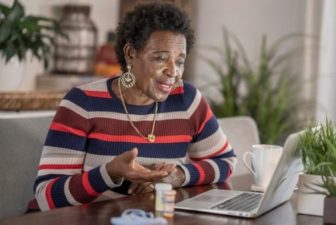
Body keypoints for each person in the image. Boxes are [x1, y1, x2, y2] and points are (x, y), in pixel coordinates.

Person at [27, 2, 236, 212]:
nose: (173, 71)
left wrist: (178, 175)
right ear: (130, 54)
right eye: (160, 58)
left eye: (179, 61)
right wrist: (110, 173)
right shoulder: (83, 103)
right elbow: (46, 196)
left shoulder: (186, 101)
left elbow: (225, 161)